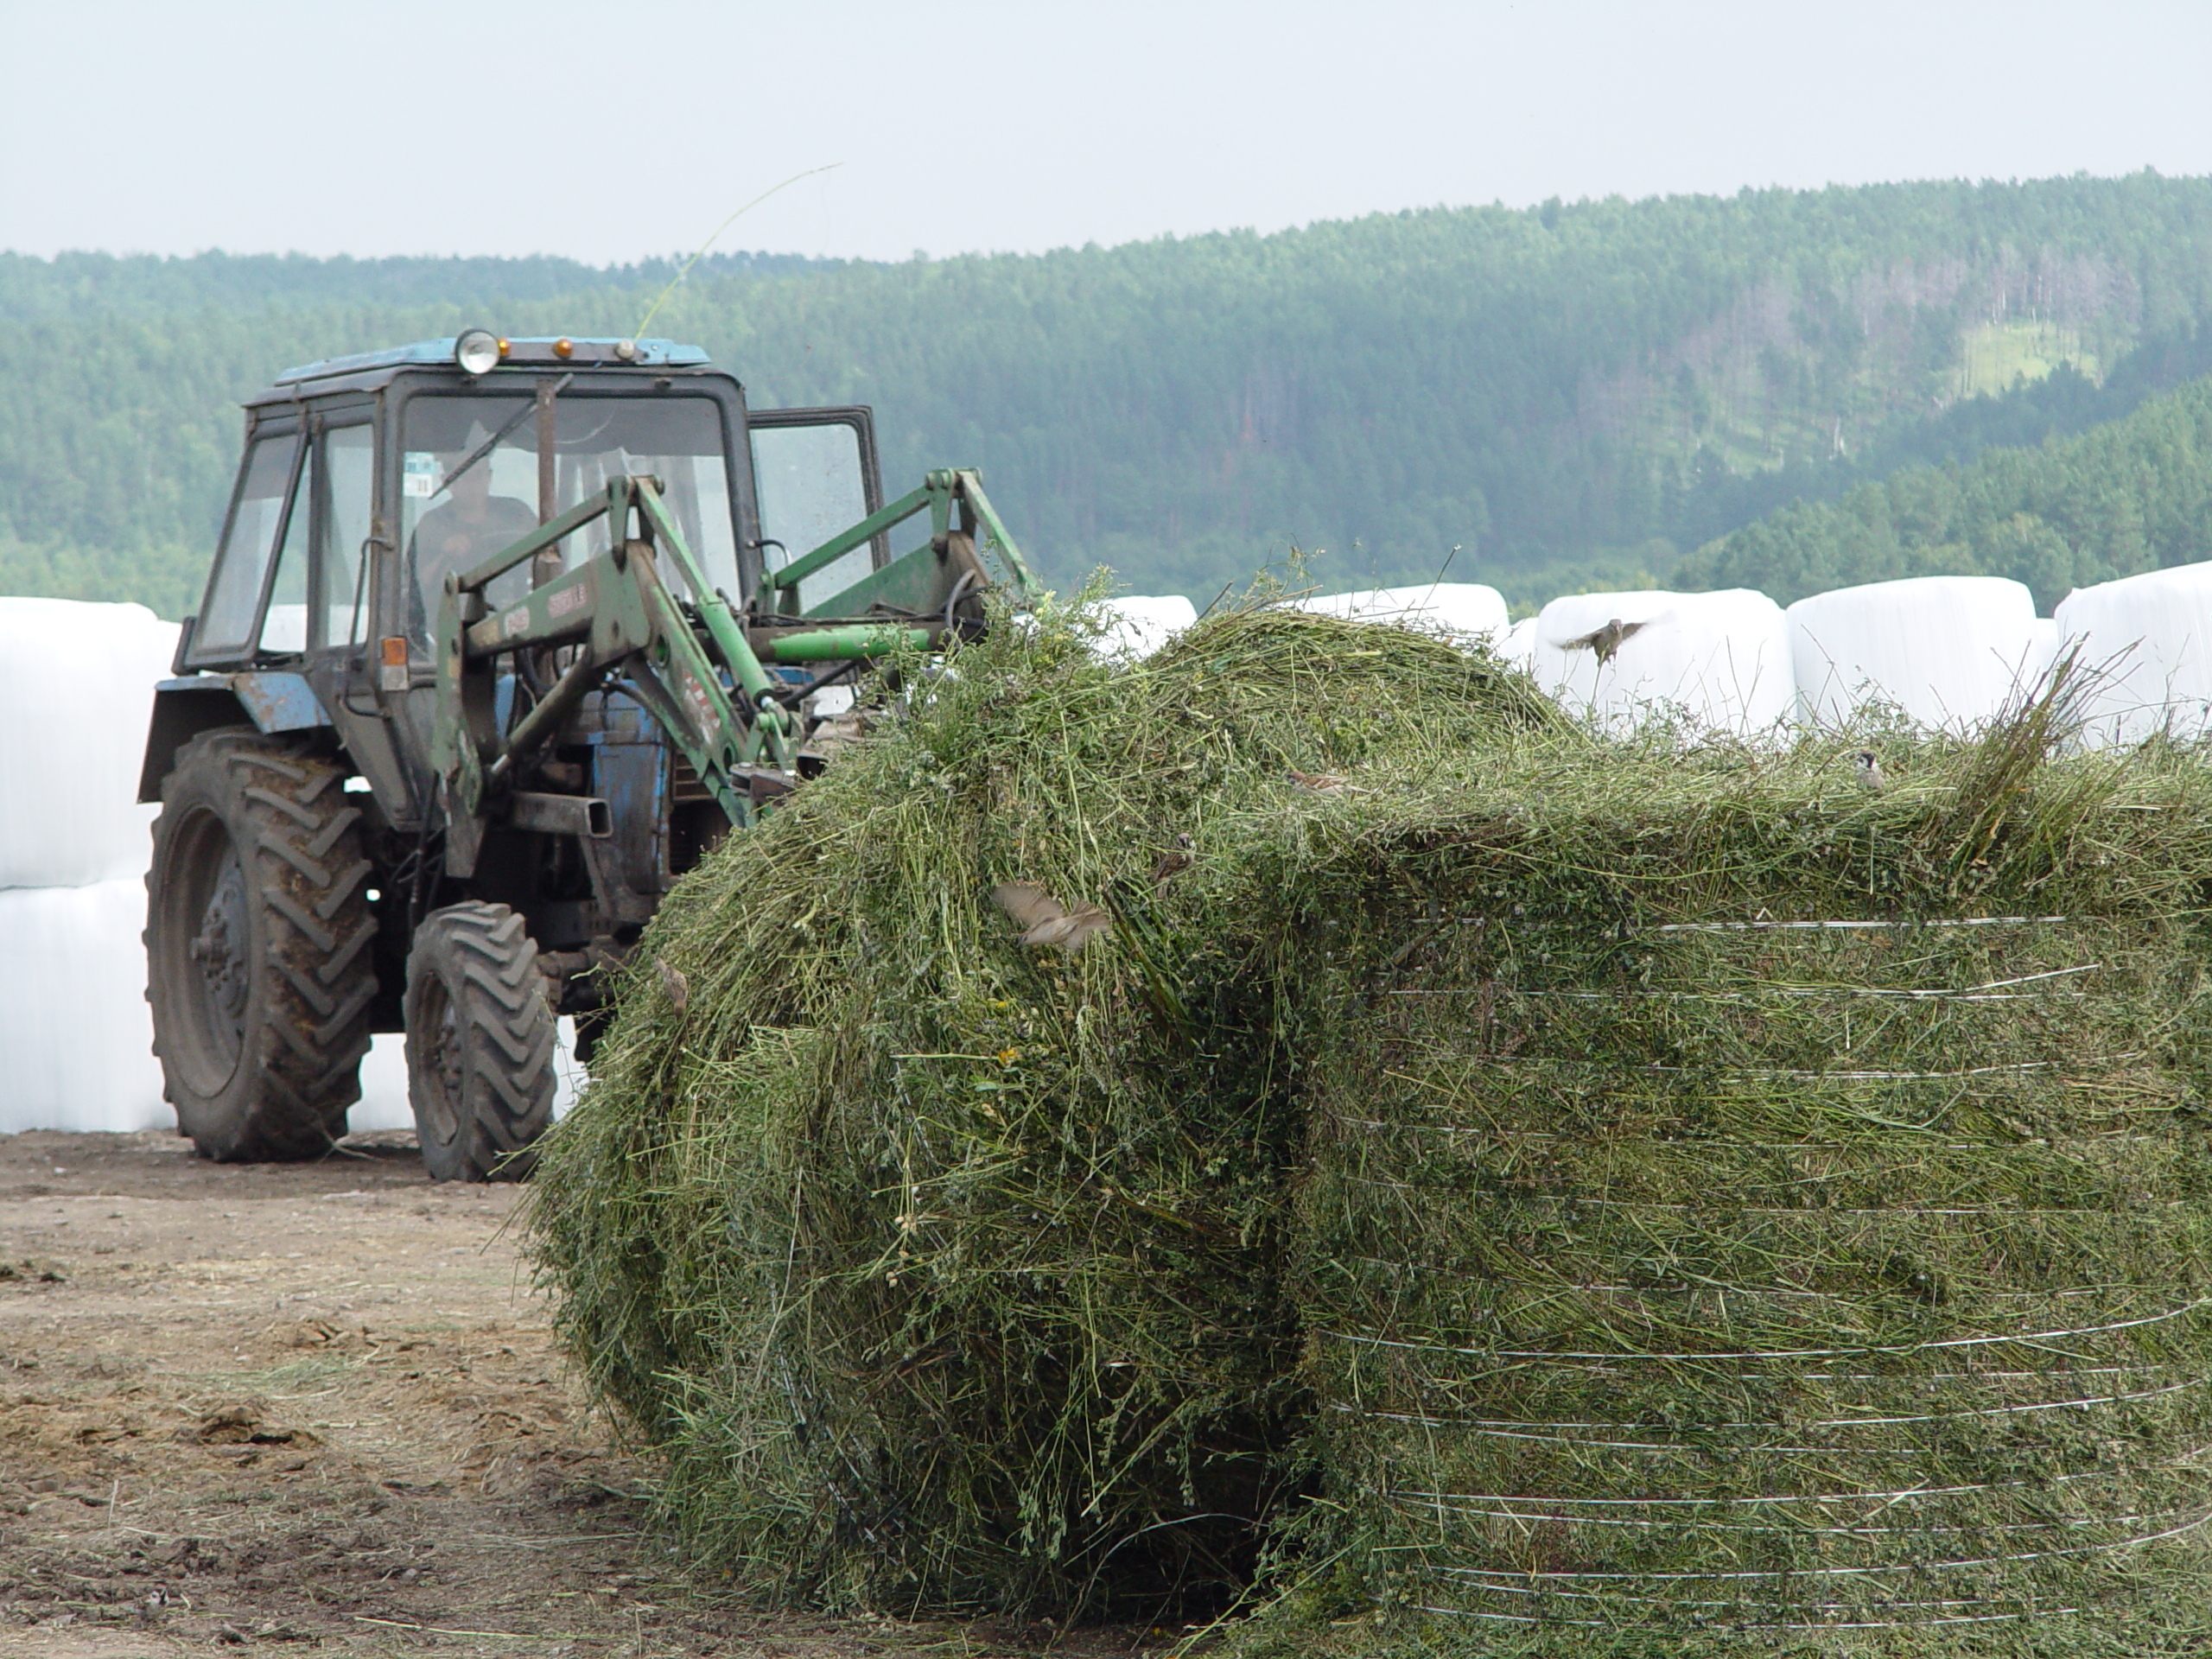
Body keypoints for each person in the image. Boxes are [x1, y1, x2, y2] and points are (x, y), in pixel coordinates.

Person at [409, 449, 538, 632]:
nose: (473, 484)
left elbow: (545, 561)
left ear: (490, 476)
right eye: (464, 477)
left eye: (479, 475)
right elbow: (418, 586)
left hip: (517, 620)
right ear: (447, 481)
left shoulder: (516, 515)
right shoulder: (432, 526)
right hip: (452, 625)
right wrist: (445, 553)